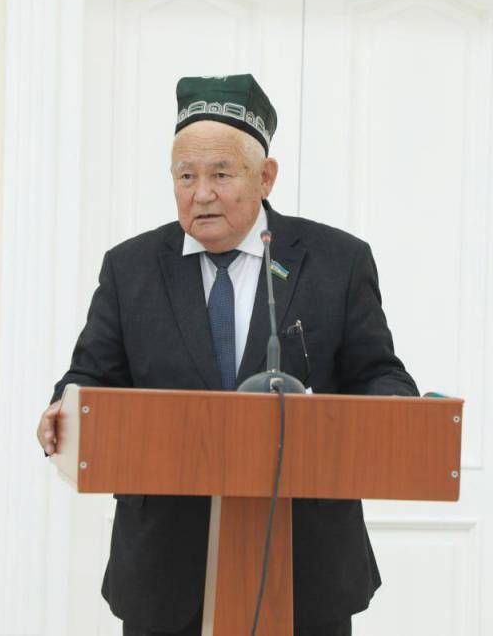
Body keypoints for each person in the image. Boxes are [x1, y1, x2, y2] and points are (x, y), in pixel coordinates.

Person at [37, 74, 418, 636]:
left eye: (221, 174)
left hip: (304, 560)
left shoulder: (336, 261)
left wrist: (394, 413)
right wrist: (64, 406)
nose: (201, 193)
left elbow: (378, 373)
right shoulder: (131, 268)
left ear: (266, 177)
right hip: (166, 565)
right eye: (185, 176)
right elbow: (91, 375)